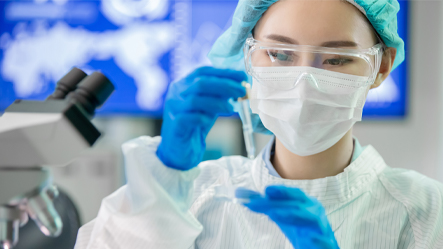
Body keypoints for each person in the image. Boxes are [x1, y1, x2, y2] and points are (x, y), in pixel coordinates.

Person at [75, 0, 443, 248]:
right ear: (249, 57)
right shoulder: (192, 196)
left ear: (381, 66)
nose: (303, 83)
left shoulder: (426, 211)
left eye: (335, 59)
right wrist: (164, 176)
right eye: (280, 54)